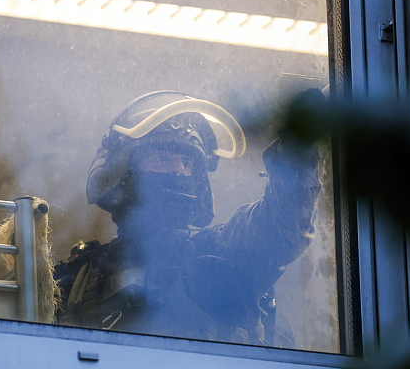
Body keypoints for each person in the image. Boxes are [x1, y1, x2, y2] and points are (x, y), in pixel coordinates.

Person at [53, 90, 322, 346]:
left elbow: (278, 227)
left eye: (187, 162)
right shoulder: (80, 278)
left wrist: (295, 153)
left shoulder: (217, 258)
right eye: (162, 158)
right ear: (124, 172)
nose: (178, 171)